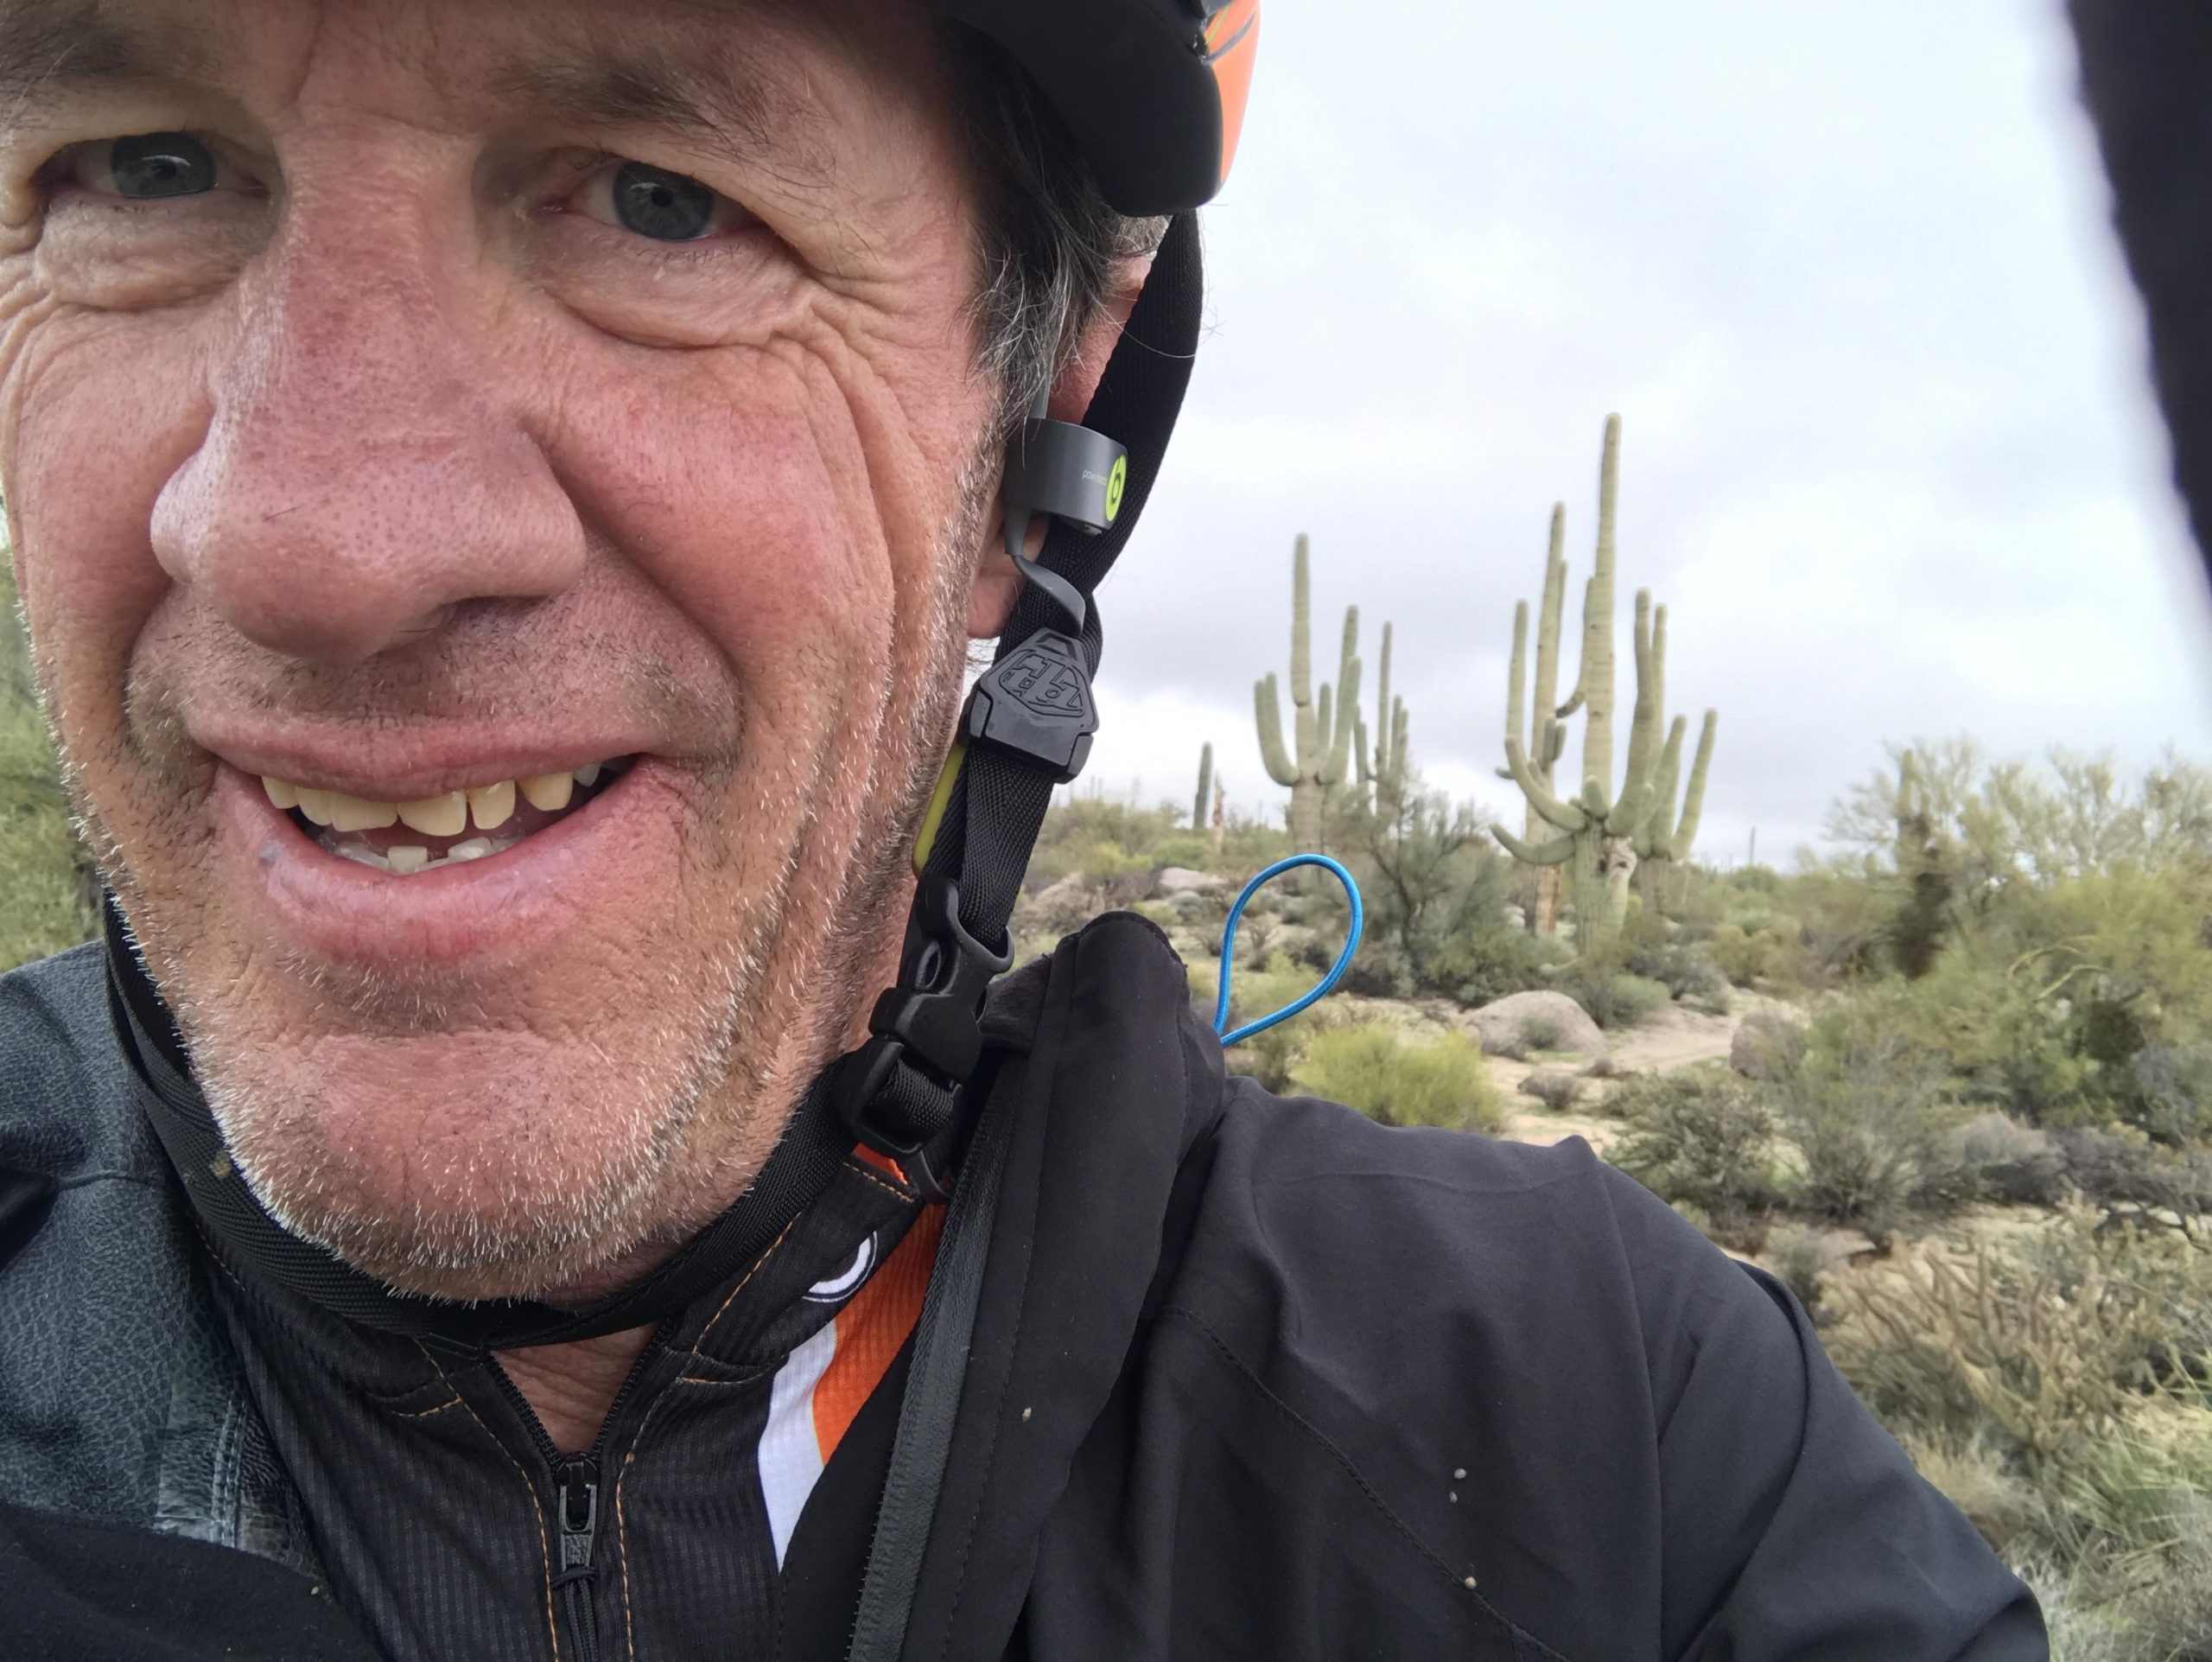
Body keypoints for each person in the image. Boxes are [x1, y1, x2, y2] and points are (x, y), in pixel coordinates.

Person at [0, 2, 2059, 1658]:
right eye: (145, 174)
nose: (302, 538)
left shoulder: (1587, 1425)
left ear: (1039, 442)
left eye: (658, 201)